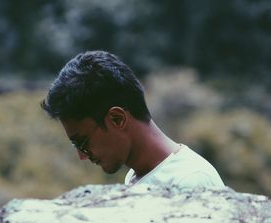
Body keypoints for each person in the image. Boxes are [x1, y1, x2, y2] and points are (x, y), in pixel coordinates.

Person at [41, 50, 225, 189]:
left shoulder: (191, 181)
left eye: (82, 142)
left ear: (117, 119)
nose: (82, 156)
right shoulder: (135, 178)